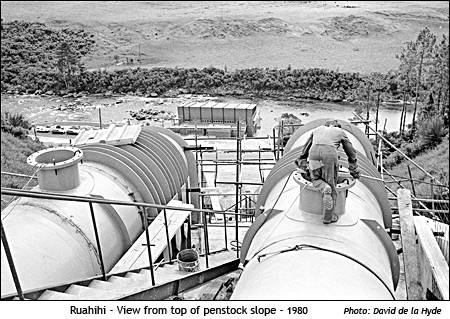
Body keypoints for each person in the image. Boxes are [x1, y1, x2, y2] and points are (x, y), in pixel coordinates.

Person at [295, 120, 360, 224]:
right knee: (331, 184)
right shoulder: (340, 131)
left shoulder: (317, 129)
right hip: (330, 154)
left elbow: (306, 147)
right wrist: (353, 166)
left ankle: (324, 187)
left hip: (314, 153)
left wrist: (302, 160)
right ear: (337, 126)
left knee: (315, 178)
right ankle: (328, 217)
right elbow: (350, 150)